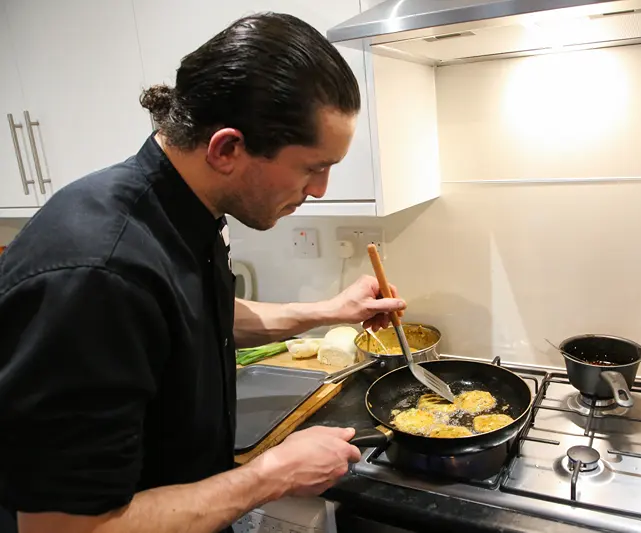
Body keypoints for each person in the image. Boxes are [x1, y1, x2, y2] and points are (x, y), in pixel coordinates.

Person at [0, 12, 406, 533]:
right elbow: (65, 529)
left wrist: (328, 312)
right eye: (312, 167)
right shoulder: (96, 275)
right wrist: (271, 474)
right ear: (227, 149)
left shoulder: (186, 212)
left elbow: (192, 316)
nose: (321, 189)